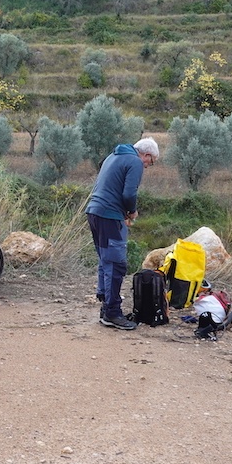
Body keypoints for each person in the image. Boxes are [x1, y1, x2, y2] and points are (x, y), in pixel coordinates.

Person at [85, 136, 159, 330]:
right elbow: (129, 194)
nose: (146, 167)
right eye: (149, 163)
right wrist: (131, 211)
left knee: (105, 260)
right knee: (116, 264)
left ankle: (106, 305)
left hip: (94, 212)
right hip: (109, 216)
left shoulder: (113, 155)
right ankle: (112, 312)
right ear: (147, 155)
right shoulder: (134, 161)